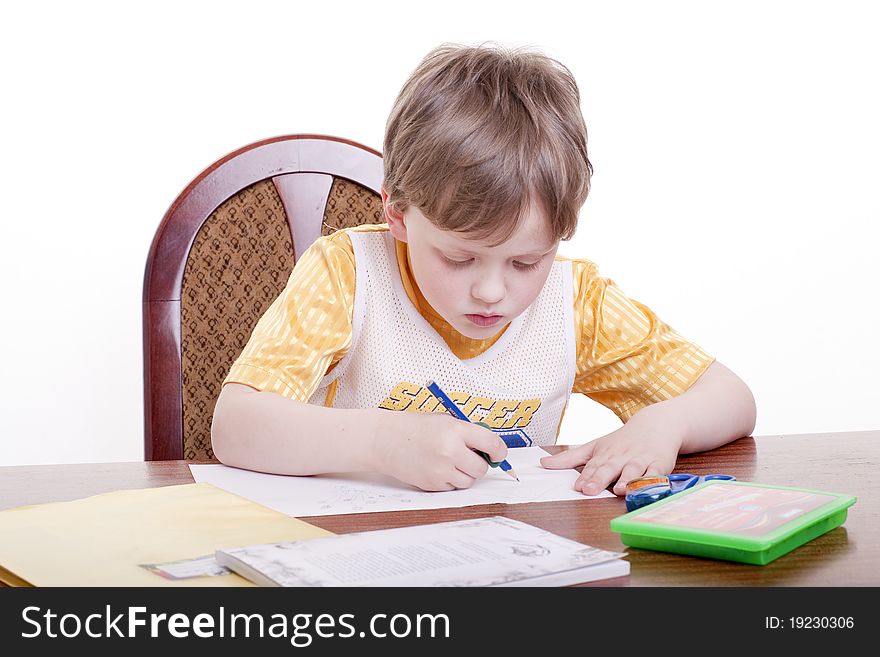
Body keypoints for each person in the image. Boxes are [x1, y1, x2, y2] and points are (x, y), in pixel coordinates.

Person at [211, 44, 756, 496]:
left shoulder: (577, 302)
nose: (492, 291)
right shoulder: (347, 273)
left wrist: (662, 423)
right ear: (398, 216)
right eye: (458, 257)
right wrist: (381, 441)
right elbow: (234, 426)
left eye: (526, 261)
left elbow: (732, 397)